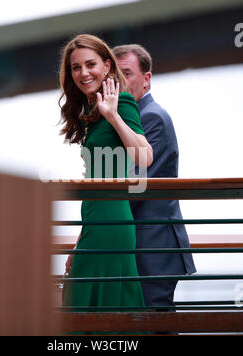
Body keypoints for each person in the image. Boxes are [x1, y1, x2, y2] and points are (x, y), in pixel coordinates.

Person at [58, 34, 153, 321]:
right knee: (86, 309)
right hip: (94, 223)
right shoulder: (89, 111)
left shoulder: (120, 102)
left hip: (112, 224)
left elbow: (145, 157)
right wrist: (79, 240)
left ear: (107, 65)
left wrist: (113, 116)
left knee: (96, 313)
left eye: (90, 64)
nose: (84, 73)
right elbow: (97, 179)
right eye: (76, 67)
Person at [113, 44, 196, 309]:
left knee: (154, 323)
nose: (120, 82)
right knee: (146, 324)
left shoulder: (151, 119)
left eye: (126, 73)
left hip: (153, 245)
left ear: (146, 79)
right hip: (146, 242)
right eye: (115, 75)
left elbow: (135, 183)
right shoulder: (133, 120)